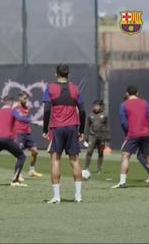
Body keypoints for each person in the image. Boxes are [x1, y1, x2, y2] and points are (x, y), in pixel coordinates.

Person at [42, 64, 86, 204]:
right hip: (73, 128)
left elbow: (47, 110)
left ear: (56, 74)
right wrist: (81, 130)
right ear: (69, 74)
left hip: (57, 128)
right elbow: (83, 111)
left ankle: (56, 197)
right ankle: (78, 196)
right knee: (75, 161)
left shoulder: (50, 88)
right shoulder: (75, 88)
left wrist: (45, 129)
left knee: (55, 160)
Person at [112, 85, 149, 189]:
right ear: (137, 93)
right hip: (146, 134)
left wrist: (127, 133)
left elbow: (123, 123)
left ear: (127, 94)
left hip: (132, 134)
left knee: (125, 156)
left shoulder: (124, 105)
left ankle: (122, 182)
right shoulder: (145, 103)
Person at [12, 91, 43, 178]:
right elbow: (19, 118)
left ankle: (32, 171)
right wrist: (37, 122)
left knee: (35, 151)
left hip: (27, 133)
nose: (26, 100)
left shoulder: (26, 107)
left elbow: (28, 120)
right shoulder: (15, 107)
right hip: (19, 133)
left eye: (27, 98)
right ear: (20, 98)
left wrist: (36, 123)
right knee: (19, 154)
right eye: (24, 98)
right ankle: (17, 174)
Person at [83, 100, 110, 173]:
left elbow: (107, 126)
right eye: (94, 106)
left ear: (100, 106)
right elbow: (87, 126)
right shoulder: (90, 115)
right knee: (89, 151)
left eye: (97, 106)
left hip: (101, 136)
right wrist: (85, 137)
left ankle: (99, 169)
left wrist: (107, 136)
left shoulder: (104, 115)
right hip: (92, 136)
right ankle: (86, 168)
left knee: (100, 152)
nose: (96, 107)